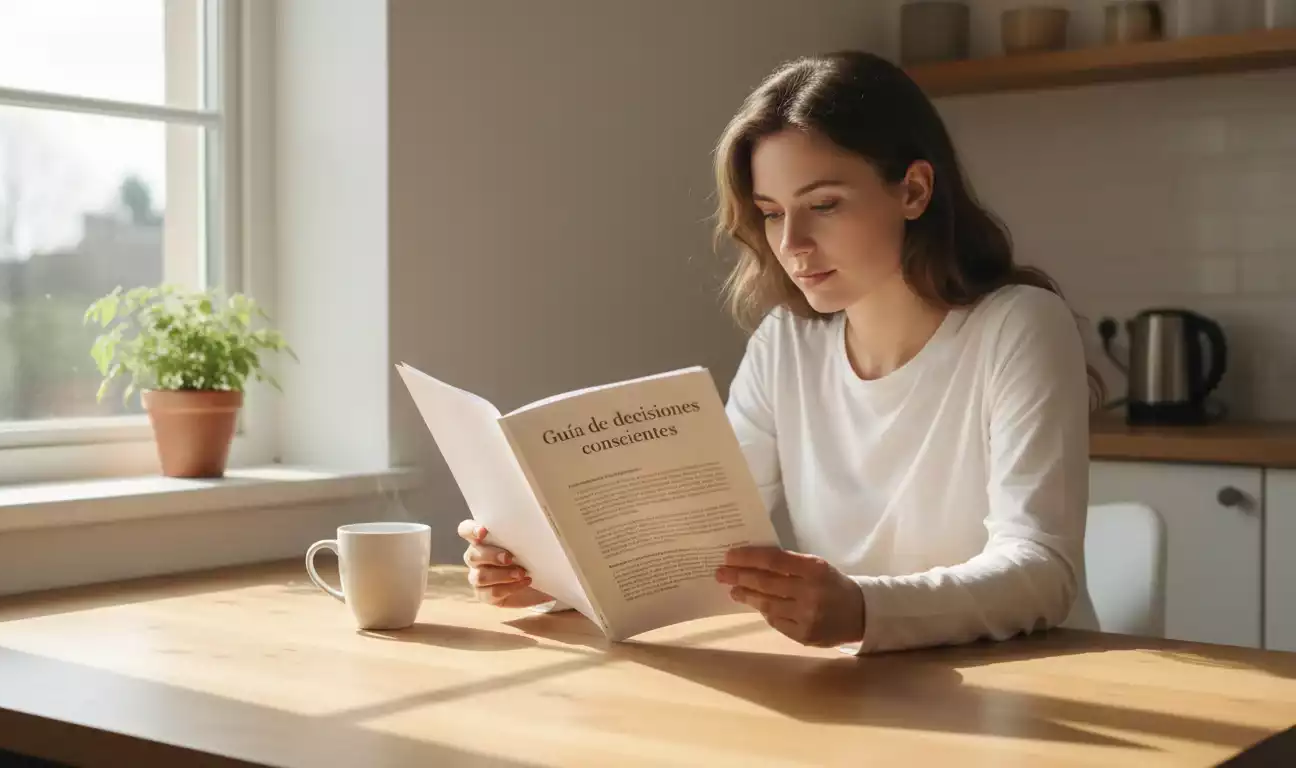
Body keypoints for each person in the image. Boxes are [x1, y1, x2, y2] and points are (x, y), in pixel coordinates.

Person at [457, 50, 1099, 654]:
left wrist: (864, 610)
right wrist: (551, 575)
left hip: (1033, 687)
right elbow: (699, 541)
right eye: (770, 211)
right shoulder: (786, 345)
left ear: (914, 191)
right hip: (865, 682)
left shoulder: (1019, 327)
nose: (791, 242)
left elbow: (1041, 568)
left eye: (823, 205)